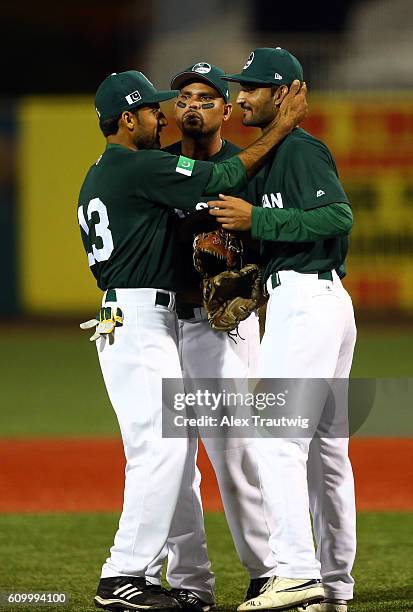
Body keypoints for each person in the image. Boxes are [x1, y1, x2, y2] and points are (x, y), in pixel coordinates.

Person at [77, 69, 307, 611]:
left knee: (179, 453)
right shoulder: (139, 164)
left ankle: (176, 580)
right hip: (140, 319)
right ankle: (123, 575)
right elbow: (217, 176)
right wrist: (281, 128)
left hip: (146, 318)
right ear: (127, 119)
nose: (169, 115)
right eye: (159, 107)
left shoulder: (108, 172)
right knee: (162, 450)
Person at [209, 48, 357, 612]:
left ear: (284, 92)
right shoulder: (266, 156)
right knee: (325, 453)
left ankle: (295, 574)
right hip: (313, 302)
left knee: (276, 440)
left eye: (251, 87)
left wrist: (257, 221)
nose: (240, 96)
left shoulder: (299, 149)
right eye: (238, 87)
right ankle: (334, 589)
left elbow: (338, 216)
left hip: (308, 300)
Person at [144, 62, 276, 611]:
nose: (191, 105)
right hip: (161, 324)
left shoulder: (244, 168)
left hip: (221, 325)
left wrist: (247, 267)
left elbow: (270, 240)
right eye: (183, 97)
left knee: (234, 454)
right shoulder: (153, 166)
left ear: (226, 109)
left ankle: (267, 571)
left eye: (205, 96)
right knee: (170, 460)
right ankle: (193, 583)